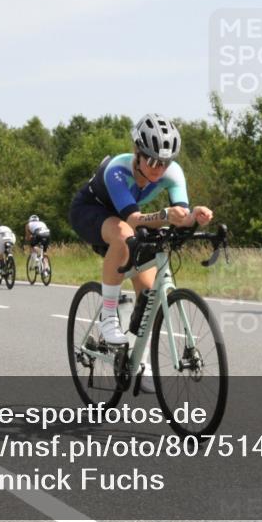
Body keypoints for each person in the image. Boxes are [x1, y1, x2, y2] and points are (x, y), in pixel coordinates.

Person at [70, 113, 213, 355]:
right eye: (153, 161)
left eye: (165, 162)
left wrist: (194, 216)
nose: (160, 169)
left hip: (127, 218)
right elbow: (134, 221)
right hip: (90, 211)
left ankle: (139, 361)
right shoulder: (117, 170)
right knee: (124, 235)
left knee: (148, 296)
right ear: (137, 153)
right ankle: (108, 317)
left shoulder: (173, 173)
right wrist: (165, 215)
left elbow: (180, 216)